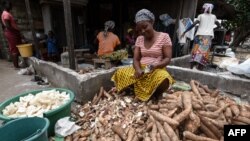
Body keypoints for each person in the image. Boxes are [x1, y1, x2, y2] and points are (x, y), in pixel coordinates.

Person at [111, 9, 174, 101]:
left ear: (152, 22)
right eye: (139, 30)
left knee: (164, 79)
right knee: (120, 73)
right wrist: (138, 69)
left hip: (156, 70)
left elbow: (167, 58)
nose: (143, 31)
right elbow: (136, 59)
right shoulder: (139, 39)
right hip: (140, 71)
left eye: (145, 27)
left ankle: (152, 92)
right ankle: (143, 90)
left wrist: (155, 66)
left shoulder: (164, 37)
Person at [181, 3, 221, 70]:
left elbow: (193, 24)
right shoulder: (214, 16)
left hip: (200, 36)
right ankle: (200, 68)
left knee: (196, 51)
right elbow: (219, 25)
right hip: (208, 37)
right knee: (204, 53)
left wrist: (185, 31)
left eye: (202, 8)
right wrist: (212, 29)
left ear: (204, 8)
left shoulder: (201, 16)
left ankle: (192, 67)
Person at [1, 1, 22, 68]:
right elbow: (8, 26)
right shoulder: (6, 14)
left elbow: (7, 25)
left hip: (10, 33)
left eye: (11, 5)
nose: (11, 6)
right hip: (12, 33)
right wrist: (16, 30)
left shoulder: (5, 13)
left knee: (13, 49)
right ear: (5, 5)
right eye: (9, 5)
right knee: (14, 49)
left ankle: (16, 65)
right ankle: (16, 66)